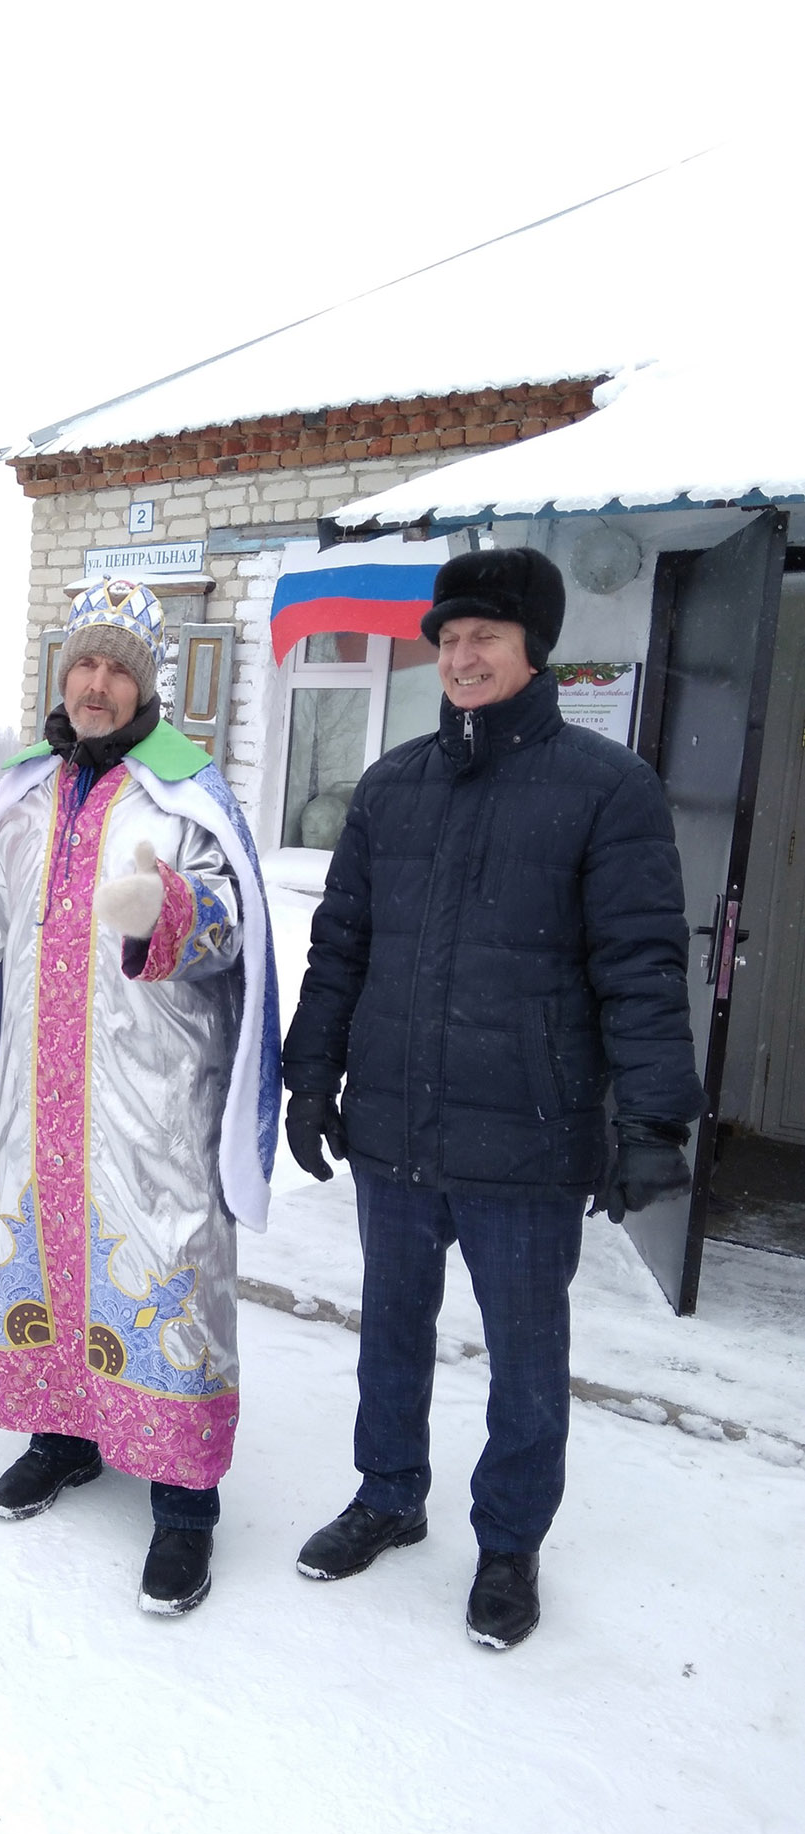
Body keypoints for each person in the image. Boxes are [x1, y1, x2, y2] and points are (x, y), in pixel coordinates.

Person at [0, 579, 280, 1615]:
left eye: (117, 667)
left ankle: (183, 1503)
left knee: (166, 1264)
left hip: (154, 1098)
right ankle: (65, 1434)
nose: (95, 682)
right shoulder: (27, 790)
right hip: (44, 1090)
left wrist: (164, 912)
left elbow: (230, 928)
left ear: (146, 684)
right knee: (45, 1246)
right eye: (83, 662)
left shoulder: (186, 793)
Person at [281, 547, 702, 1648]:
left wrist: (652, 1118)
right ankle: (388, 1495)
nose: (462, 656)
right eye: (450, 639)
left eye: (487, 639)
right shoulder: (391, 785)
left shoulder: (608, 791)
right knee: (391, 1331)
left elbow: (640, 963)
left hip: (529, 1135)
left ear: (533, 651)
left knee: (525, 1355)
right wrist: (311, 1072)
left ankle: (510, 1543)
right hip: (397, 1125)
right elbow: (342, 945)